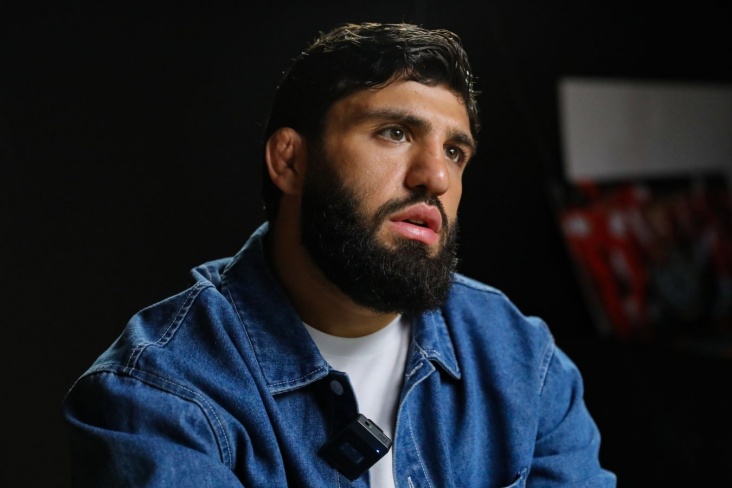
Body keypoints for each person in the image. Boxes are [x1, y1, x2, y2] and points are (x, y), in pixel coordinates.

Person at [61, 21, 617, 487]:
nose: (436, 176)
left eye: (454, 151)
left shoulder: (521, 360)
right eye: (395, 132)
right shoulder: (158, 395)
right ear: (290, 162)